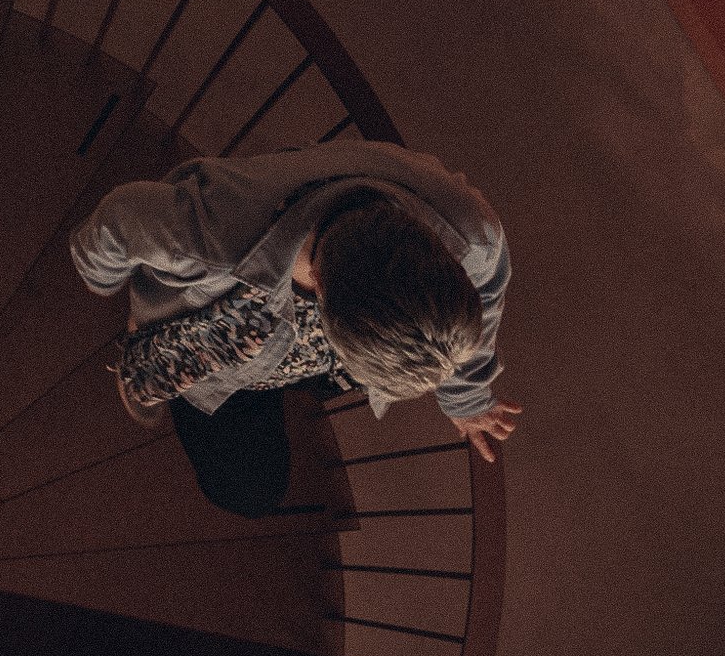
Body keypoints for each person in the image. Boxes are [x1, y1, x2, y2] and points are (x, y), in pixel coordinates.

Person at [70, 141, 520, 519]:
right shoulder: (210, 240)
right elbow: (117, 220)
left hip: (290, 351)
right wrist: (104, 283)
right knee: (248, 488)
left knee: (257, 483)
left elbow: (486, 298)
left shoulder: (471, 238)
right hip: (226, 344)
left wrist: (465, 394)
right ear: (320, 297)